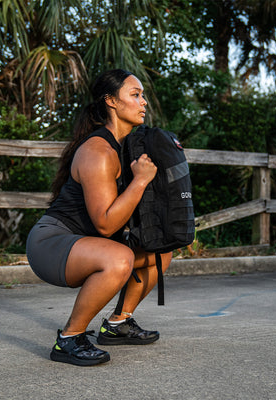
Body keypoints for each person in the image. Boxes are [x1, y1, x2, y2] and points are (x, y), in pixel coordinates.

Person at [26, 69, 173, 366]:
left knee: (161, 250)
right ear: (111, 101)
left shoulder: (126, 149)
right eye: (135, 95)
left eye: (142, 95)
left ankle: (118, 324)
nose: (143, 102)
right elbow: (105, 223)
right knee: (119, 259)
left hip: (87, 243)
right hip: (51, 243)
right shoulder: (98, 151)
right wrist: (140, 181)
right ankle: (69, 338)